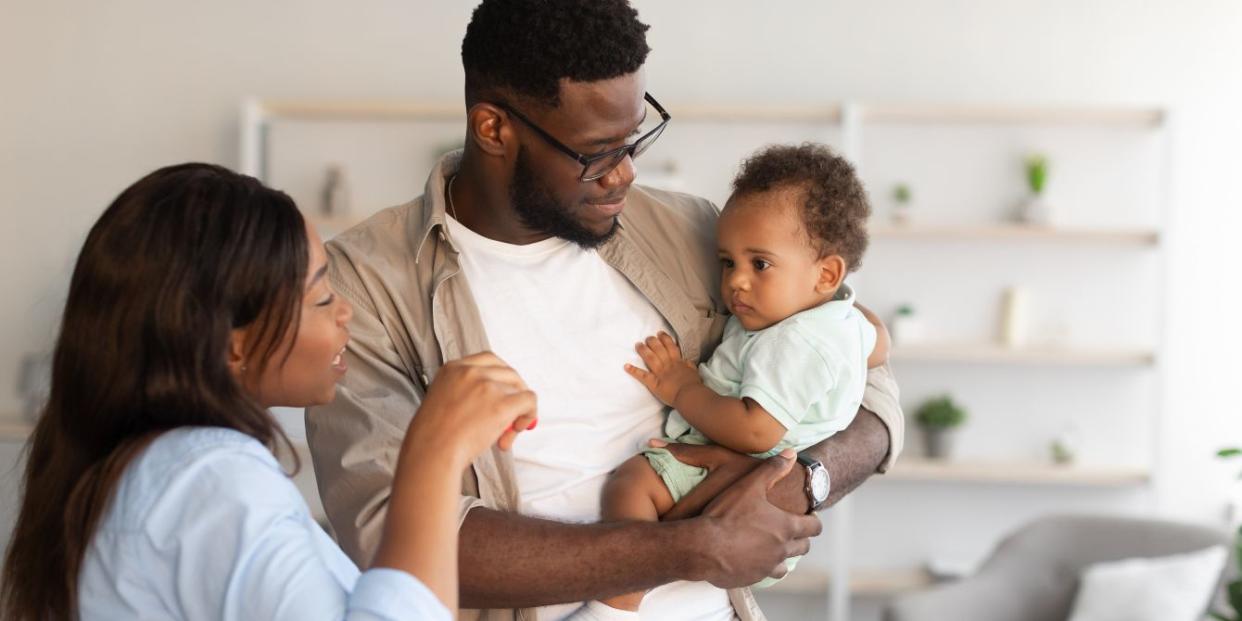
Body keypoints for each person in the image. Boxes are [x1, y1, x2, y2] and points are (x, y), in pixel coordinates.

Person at [306, 1, 905, 619]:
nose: (623, 174)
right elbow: (391, 539)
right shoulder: (367, 284)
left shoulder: (693, 231)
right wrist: (684, 550)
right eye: (595, 153)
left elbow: (873, 391)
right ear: (493, 129)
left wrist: (801, 482)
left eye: (633, 139)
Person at [0, 163, 537, 621]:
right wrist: (434, 452)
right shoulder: (207, 479)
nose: (344, 311)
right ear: (233, 346)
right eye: (321, 296)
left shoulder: (152, 468)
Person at [598, 143, 889, 613]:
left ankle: (616, 607)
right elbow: (880, 347)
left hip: (739, 478)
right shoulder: (840, 321)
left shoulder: (793, 342)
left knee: (628, 487)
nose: (736, 281)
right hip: (769, 498)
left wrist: (681, 387)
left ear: (827, 273)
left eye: (761, 264)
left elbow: (755, 431)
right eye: (728, 262)